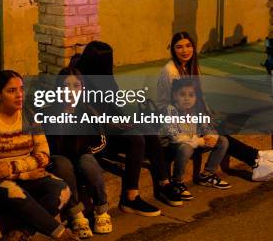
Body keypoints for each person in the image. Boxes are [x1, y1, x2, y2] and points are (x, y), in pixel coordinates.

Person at [76, 41, 182, 217]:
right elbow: (82, 118)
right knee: (136, 138)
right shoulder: (76, 81)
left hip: (109, 129)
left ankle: (164, 182)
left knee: (146, 128)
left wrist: (123, 120)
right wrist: (112, 123)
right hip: (93, 139)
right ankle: (130, 197)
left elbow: (114, 107)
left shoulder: (105, 78)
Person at [0, 70, 79, 241]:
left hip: (22, 174)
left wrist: (14, 168)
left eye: (21, 89)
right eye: (11, 91)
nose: (19, 95)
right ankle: (60, 233)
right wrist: (24, 173)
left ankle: (20, 233)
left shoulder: (29, 115)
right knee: (14, 191)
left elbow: (44, 155)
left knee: (62, 189)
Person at [157, 31, 273, 181]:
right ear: (173, 49)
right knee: (218, 132)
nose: (185, 51)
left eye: (188, 46)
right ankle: (255, 157)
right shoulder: (170, 71)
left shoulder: (191, 67)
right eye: (179, 47)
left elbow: (198, 99)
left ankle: (255, 158)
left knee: (220, 126)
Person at [47, 65, 112, 237]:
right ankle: (76, 215)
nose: (71, 91)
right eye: (66, 86)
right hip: (61, 160)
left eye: (76, 86)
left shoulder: (88, 110)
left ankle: (102, 211)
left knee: (87, 161)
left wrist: (88, 150)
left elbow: (101, 140)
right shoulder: (50, 112)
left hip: (83, 157)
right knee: (63, 164)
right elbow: (47, 145)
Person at [161, 78, 231, 197]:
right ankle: (177, 182)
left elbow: (206, 126)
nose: (187, 98)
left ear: (196, 97)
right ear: (174, 96)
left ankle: (207, 174)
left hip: (193, 143)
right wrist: (199, 141)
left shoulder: (196, 110)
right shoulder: (170, 110)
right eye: (182, 94)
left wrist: (211, 136)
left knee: (222, 141)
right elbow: (174, 136)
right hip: (172, 147)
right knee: (185, 148)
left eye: (191, 95)